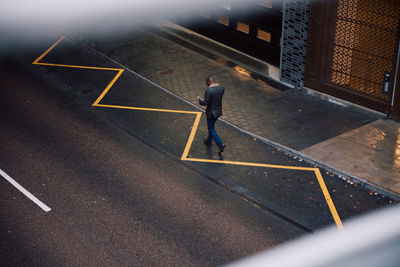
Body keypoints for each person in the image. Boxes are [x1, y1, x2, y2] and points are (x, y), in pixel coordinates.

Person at [198, 76, 226, 154]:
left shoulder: (209, 90)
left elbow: (205, 103)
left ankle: (220, 144)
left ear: (209, 82)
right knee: (211, 126)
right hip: (218, 112)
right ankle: (208, 141)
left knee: (211, 129)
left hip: (211, 113)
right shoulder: (221, 88)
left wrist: (200, 100)